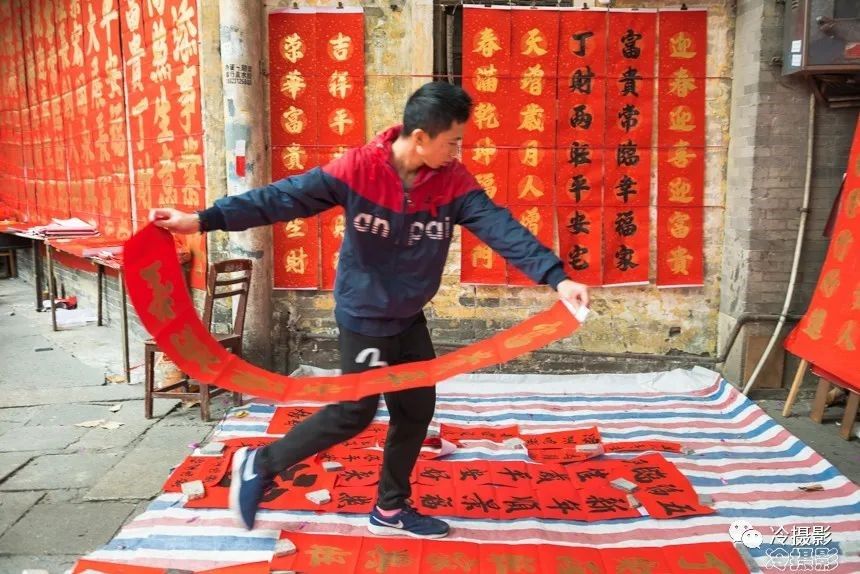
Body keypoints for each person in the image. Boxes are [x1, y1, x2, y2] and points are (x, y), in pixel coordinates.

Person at [150, 81, 590, 538]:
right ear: (420, 138)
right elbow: (282, 198)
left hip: (408, 316)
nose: (458, 151)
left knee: (416, 408)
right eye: (452, 141)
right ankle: (259, 464)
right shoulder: (358, 169)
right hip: (364, 316)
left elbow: (500, 226)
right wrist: (202, 220)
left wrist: (557, 276)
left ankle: (390, 509)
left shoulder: (453, 182)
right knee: (352, 414)